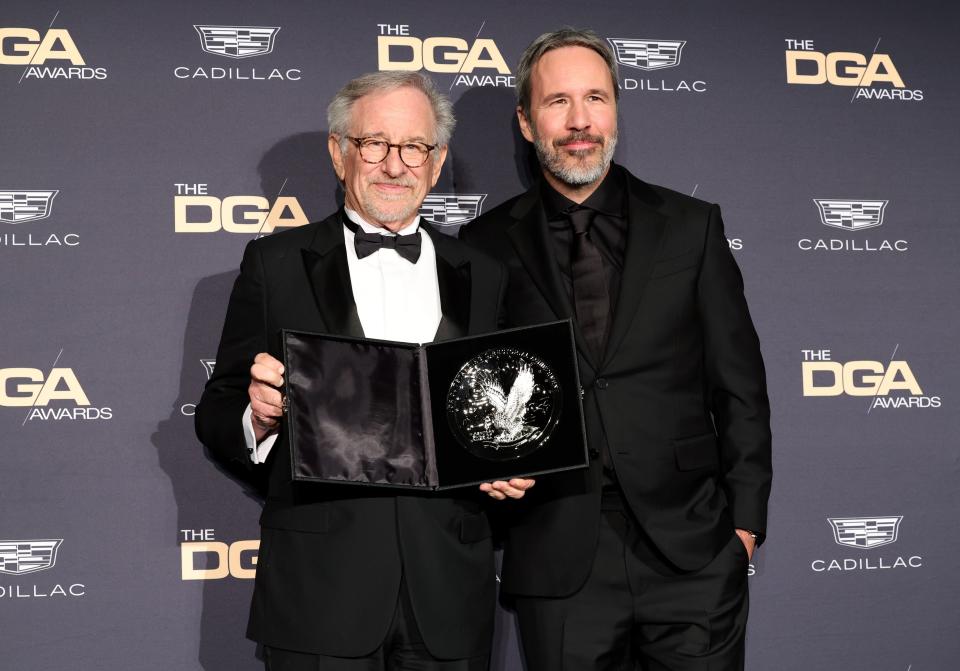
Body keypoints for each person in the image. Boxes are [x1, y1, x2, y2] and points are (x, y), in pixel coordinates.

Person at [196, 70, 532, 671]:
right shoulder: (275, 263)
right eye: (374, 143)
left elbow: (500, 414)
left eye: (414, 148)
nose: (394, 165)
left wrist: (509, 463)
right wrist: (258, 415)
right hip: (319, 591)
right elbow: (218, 410)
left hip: (450, 593)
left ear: (438, 162)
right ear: (339, 152)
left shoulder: (485, 273)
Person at [461, 29, 772, 671]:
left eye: (596, 98)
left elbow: (739, 384)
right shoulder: (482, 244)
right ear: (526, 121)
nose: (580, 121)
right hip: (559, 554)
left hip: (692, 551)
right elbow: (474, 390)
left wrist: (743, 528)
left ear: (616, 112)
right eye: (558, 102)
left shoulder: (691, 226)